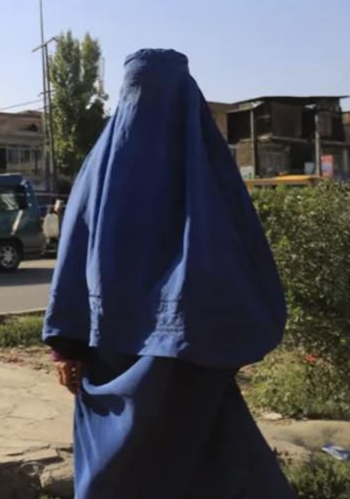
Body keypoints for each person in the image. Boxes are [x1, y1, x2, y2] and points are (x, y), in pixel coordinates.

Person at [43, 49, 294, 498]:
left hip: (187, 352)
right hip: (131, 353)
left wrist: (66, 343)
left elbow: (240, 252)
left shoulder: (201, 171)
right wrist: (64, 346)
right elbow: (75, 251)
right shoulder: (104, 170)